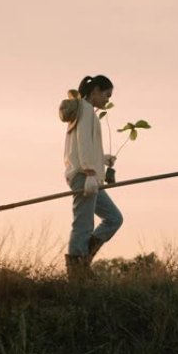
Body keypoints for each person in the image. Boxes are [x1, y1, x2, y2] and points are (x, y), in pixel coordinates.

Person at [63, 75, 123, 280]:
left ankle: (84, 257)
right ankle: (76, 270)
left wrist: (102, 159)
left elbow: (84, 147)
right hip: (83, 176)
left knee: (114, 218)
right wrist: (89, 172)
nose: (107, 100)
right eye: (106, 95)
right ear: (96, 90)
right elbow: (83, 144)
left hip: (90, 176)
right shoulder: (85, 110)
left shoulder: (87, 112)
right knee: (83, 223)